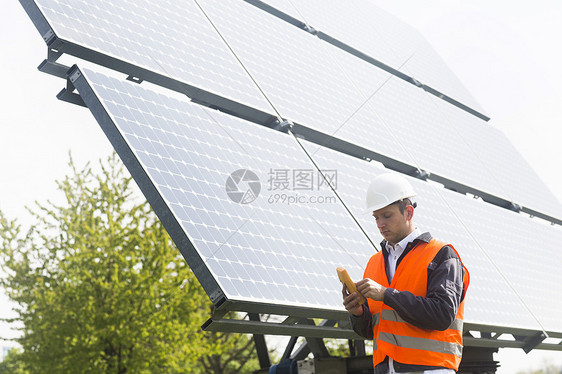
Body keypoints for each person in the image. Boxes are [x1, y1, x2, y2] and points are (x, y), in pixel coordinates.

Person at [342, 173, 470, 374]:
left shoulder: (442, 254)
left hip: (431, 369)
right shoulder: (374, 263)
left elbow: (442, 315)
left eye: (387, 215)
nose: (380, 224)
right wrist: (358, 314)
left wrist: (387, 294)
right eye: (376, 217)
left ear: (408, 212)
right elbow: (370, 331)